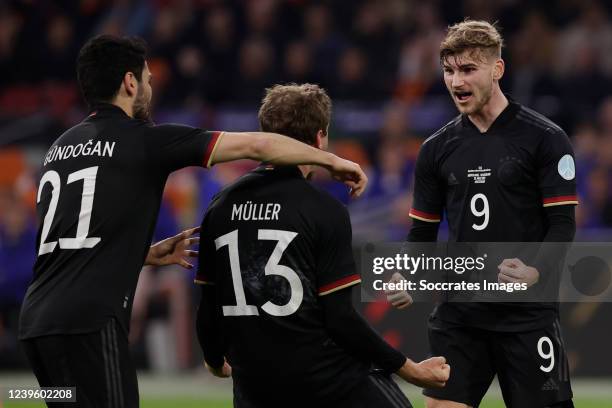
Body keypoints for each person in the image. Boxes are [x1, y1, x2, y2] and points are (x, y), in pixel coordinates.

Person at [18, 35, 368, 408]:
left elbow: (70, 243)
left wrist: (144, 253)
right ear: (130, 83)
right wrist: (332, 161)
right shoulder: (145, 140)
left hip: (38, 326)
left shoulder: (60, 148)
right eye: (149, 80)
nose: (150, 89)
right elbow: (260, 145)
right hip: (88, 324)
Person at [195, 83, 450, 408]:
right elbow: (341, 319)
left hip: (254, 389)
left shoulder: (220, 207)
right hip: (327, 381)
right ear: (319, 138)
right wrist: (411, 370)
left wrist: (214, 361)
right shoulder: (322, 209)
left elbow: (208, 307)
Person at [389, 20, 577, 408]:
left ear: (498, 69)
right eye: (449, 70)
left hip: (526, 316)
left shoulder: (545, 138)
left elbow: (562, 224)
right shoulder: (436, 149)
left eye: (468, 69)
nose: (456, 81)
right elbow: (421, 233)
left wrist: (536, 271)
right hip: (460, 316)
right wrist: (407, 272)